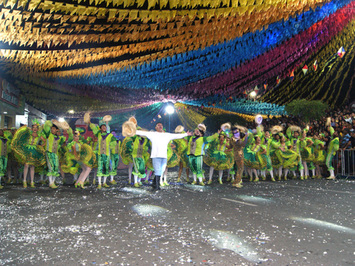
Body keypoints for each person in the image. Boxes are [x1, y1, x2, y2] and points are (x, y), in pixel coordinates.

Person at [134, 122, 191, 190]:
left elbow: (175, 136)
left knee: (161, 171)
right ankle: (157, 186)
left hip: (164, 156)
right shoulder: (152, 134)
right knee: (158, 171)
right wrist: (132, 131)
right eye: (158, 125)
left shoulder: (166, 135)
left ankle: (154, 183)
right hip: (155, 156)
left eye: (161, 125)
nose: (160, 126)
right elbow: (142, 133)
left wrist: (186, 134)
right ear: (156, 127)